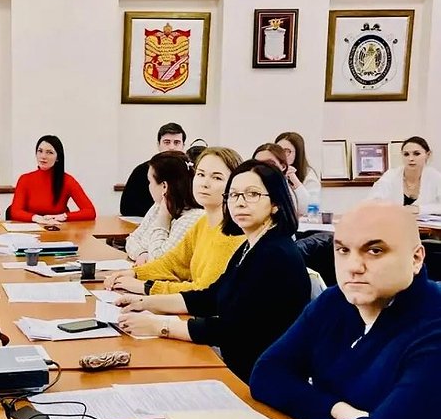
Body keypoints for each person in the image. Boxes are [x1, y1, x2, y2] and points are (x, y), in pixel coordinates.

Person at [250, 202, 441, 419]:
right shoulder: (335, 302)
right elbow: (266, 374)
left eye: (374, 251)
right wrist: (337, 411)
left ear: (416, 258)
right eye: (342, 250)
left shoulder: (433, 326)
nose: (354, 266)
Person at [114, 161, 311, 383]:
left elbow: (232, 328)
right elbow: (211, 296)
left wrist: (159, 326)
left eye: (252, 194)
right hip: (240, 365)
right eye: (234, 195)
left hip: (259, 378)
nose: (240, 202)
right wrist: (146, 302)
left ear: (275, 203)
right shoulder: (253, 245)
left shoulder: (275, 254)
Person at [104, 148, 245, 294]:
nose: (204, 183)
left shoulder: (232, 232)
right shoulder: (203, 223)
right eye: (201, 174)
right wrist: (134, 274)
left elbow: (205, 292)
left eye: (217, 178)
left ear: (234, 185)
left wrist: (146, 287)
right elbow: (172, 263)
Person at [124, 151, 203, 264]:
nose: (149, 186)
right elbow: (132, 239)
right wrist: (141, 253)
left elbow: (159, 261)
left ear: (164, 186)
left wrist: (163, 220)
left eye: (150, 182)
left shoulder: (193, 218)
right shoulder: (158, 205)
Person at [8, 135, 96, 223]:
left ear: (58, 157)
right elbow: (15, 212)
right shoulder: (25, 179)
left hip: (58, 228)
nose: (43, 156)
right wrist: (37, 218)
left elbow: (90, 211)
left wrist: (63, 216)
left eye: (49, 152)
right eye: (40, 151)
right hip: (31, 228)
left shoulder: (67, 180)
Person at [120, 122, 186, 216]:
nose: (172, 147)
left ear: (183, 146)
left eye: (177, 142)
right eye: (167, 142)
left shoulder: (190, 171)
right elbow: (126, 207)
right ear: (158, 145)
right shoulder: (142, 170)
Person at [369, 136, 441, 213]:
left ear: (428, 155)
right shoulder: (390, 176)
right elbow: (372, 204)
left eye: (416, 154)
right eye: (406, 154)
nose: (411, 159)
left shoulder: (435, 177)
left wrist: (419, 209)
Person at [252, 142, 308, 216]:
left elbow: (306, 209)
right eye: (258, 164)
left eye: (270, 163)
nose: (263, 168)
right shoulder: (247, 188)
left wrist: (294, 179)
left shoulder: (286, 189)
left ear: (283, 166)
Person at [275, 131, 320, 209]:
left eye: (287, 151)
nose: (281, 155)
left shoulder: (308, 175)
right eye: (278, 150)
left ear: (298, 153)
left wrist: (295, 182)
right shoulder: (272, 171)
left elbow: (311, 208)